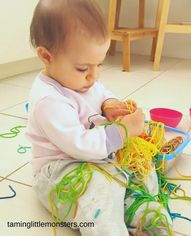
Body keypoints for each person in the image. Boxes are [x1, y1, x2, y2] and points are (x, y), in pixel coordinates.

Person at [26, 0, 172, 235]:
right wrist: (122, 132)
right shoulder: (48, 101)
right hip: (61, 171)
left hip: (98, 160)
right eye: (83, 68)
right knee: (101, 185)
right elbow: (79, 146)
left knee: (140, 168)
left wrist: (109, 104)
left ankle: (147, 216)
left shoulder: (83, 79)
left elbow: (101, 92)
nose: (94, 76)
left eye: (100, 64)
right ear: (46, 55)